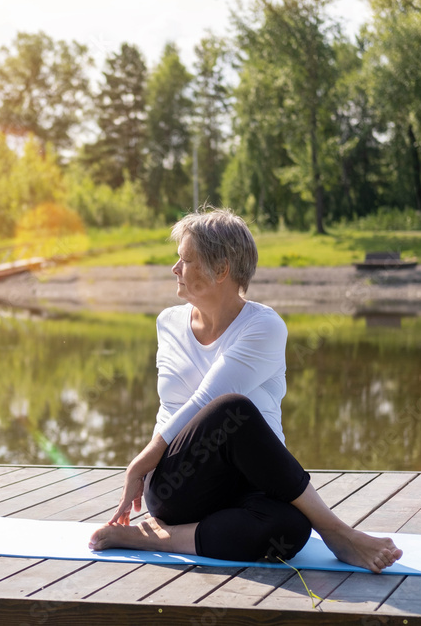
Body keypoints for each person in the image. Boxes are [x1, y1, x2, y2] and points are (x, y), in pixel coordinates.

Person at [89, 208, 402, 572]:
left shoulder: (264, 326)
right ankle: (336, 531)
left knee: (290, 529)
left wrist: (136, 464)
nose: (175, 268)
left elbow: (209, 398)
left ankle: (151, 537)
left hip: (252, 483)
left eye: (186, 260)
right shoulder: (168, 323)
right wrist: (145, 465)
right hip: (180, 483)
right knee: (231, 410)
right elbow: (188, 406)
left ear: (221, 270)